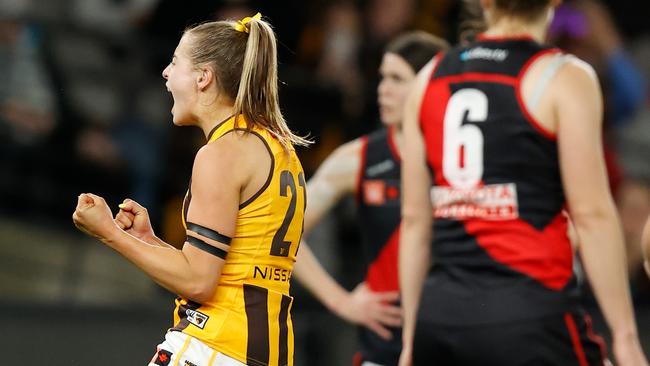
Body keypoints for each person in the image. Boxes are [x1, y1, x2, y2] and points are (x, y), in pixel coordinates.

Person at [398, 0, 649, 365]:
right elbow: (592, 214)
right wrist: (625, 338)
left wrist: (409, 341)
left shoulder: (429, 78)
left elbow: (415, 222)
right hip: (530, 313)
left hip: (440, 320)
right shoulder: (564, 77)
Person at [72, 13, 310, 366]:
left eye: (175, 62)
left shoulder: (221, 152)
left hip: (215, 344)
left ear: (203, 77)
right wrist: (147, 241)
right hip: (266, 351)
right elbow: (235, 263)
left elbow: (199, 282)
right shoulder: (278, 148)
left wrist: (108, 233)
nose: (166, 73)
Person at [293, 31, 448, 366]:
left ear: (430, 85)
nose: (383, 89)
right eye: (381, 78)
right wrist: (340, 302)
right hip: (385, 346)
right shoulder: (359, 158)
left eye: (397, 79)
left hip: (458, 337)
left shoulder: (463, 159)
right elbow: (283, 232)